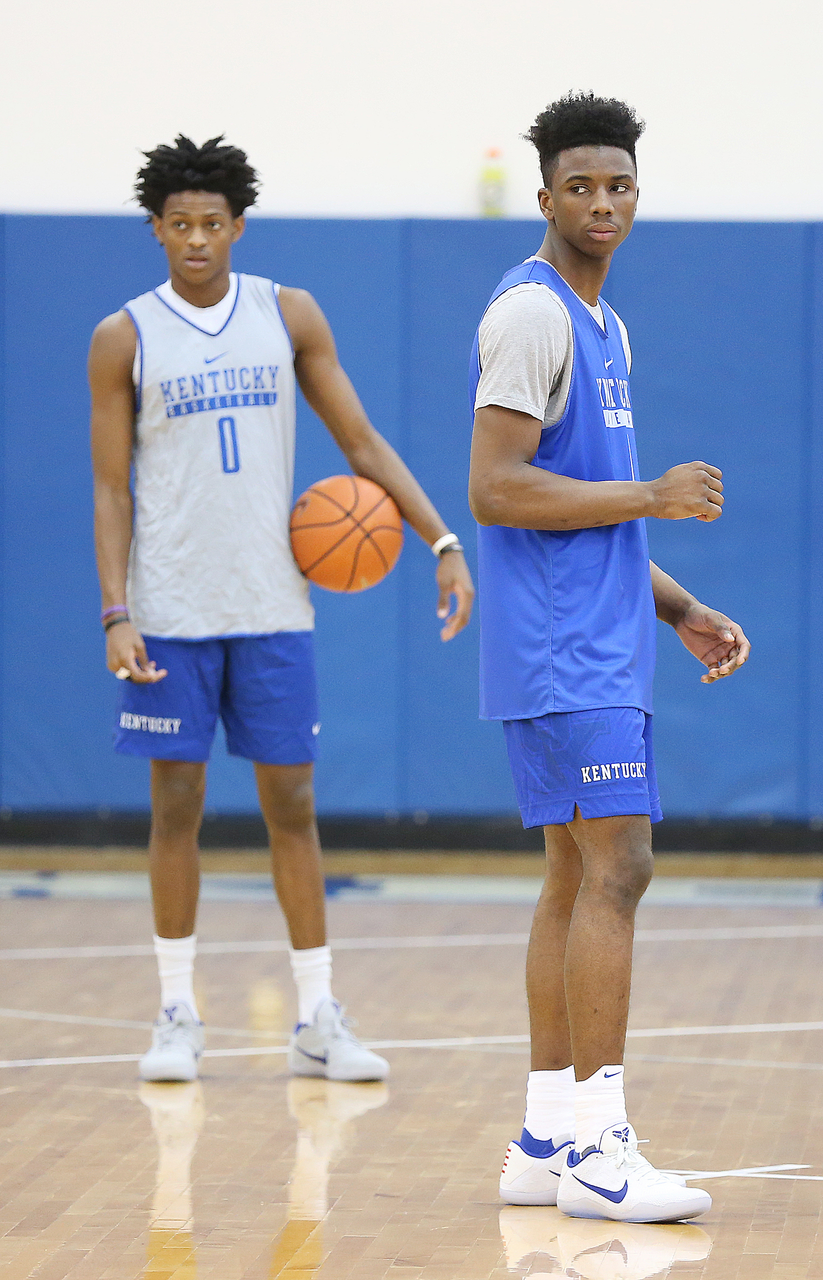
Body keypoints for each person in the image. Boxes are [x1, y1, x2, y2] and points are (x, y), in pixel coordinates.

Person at [89, 134, 474, 1086]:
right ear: (156, 229)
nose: (194, 240)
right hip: (171, 607)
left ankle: (316, 1017)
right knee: (175, 805)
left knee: (291, 805)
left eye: (211, 224)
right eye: (177, 225)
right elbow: (109, 491)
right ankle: (177, 1011)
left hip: (272, 606)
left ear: (237, 226)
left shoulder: (285, 313)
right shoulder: (123, 336)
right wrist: (115, 611)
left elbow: (361, 442)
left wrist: (441, 539)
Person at [468, 93, 750, 1222]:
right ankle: (600, 1144)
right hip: (561, 651)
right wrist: (656, 496)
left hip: (596, 637)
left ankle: (544, 1136)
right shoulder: (532, 313)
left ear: (637, 193)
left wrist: (675, 602)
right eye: (579, 186)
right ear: (544, 197)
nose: (601, 203)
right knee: (619, 868)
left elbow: (588, 507)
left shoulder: (604, 325)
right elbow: (494, 487)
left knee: (575, 874)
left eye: (618, 185)